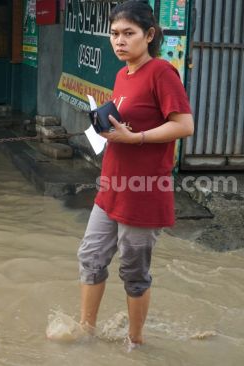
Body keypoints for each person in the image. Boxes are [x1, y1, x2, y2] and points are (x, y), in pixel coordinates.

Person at [75, 0, 194, 348]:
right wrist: (107, 130)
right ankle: (86, 330)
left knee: (134, 272)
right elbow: (128, 122)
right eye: (114, 34)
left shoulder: (161, 72)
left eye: (129, 33)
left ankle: (136, 342)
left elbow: (184, 125)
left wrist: (135, 137)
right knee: (91, 257)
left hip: (143, 191)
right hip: (112, 186)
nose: (119, 41)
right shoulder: (122, 74)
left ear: (150, 35)